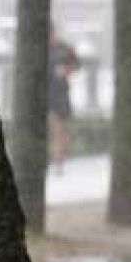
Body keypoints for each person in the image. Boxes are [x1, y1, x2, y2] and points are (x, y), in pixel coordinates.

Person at [48, 28, 78, 174]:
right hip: (47, 95)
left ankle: (60, 158)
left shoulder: (64, 48)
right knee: (56, 129)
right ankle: (58, 161)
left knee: (62, 130)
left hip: (62, 95)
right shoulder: (39, 49)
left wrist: (66, 71)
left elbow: (76, 64)